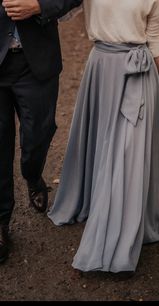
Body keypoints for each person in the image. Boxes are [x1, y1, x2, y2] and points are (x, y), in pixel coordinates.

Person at [48, 0, 159, 273]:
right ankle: (98, 202)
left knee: (127, 151)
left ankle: (120, 233)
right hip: (102, 69)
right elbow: (61, 9)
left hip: (139, 73)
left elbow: (153, 33)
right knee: (105, 143)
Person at [0, 0, 83, 264]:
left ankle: (33, 174)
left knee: (39, 133)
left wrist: (38, 6)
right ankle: (1, 222)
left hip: (35, 62)